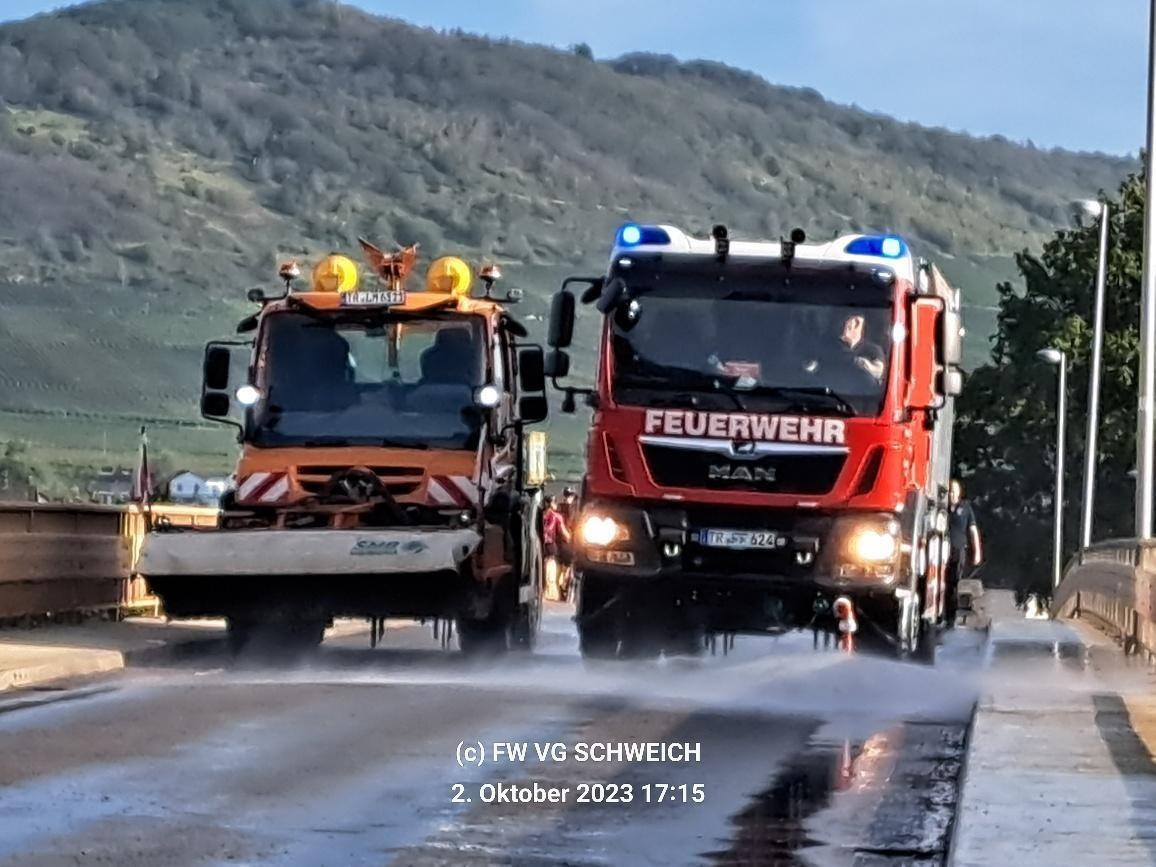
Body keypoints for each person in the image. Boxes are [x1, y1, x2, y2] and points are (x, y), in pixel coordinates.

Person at [946, 479, 982, 626]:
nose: (952, 494)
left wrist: (977, 552)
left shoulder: (966, 508)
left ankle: (951, 616)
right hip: (943, 551)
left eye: (954, 491)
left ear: (959, 492)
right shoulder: (943, 508)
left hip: (959, 550)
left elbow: (973, 530)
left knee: (955, 583)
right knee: (944, 583)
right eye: (950, 491)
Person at [838, 313, 886, 382]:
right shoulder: (832, 347)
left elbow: (878, 372)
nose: (842, 325)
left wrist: (860, 362)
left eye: (846, 320)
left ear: (856, 324)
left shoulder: (873, 350)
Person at [541, 495, 571, 602]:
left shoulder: (539, 516)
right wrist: (571, 539)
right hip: (550, 546)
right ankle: (551, 593)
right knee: (551, 568)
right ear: (552, 503)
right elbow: (564, 534)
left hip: (540, 546)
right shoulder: (556, 516)